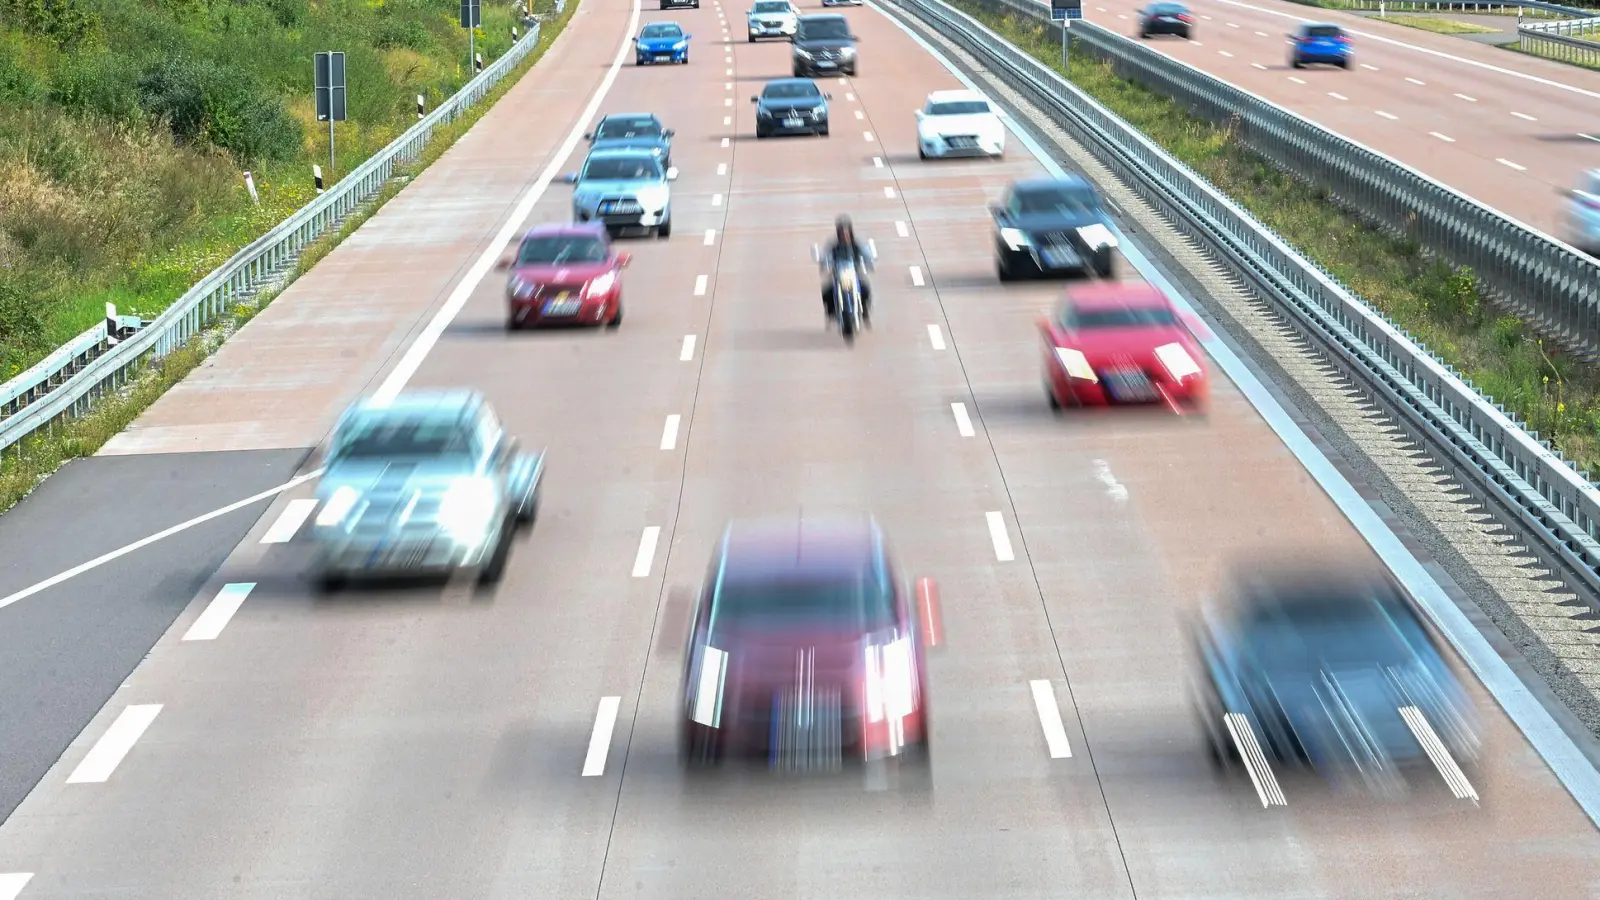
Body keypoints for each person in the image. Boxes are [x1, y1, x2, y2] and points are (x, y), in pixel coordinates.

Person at [820, 215, 873, 319]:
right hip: (838, 274)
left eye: (846, 232)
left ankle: (865, 310)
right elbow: (826, 255)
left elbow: (866, 253)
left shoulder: (857, 243)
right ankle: (831, 312)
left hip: (854, 273)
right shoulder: (833, 244)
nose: (845, 235)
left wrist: (869, 262)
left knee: (866, 289)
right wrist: (824, 263)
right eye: (842, 232)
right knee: (826, 292)